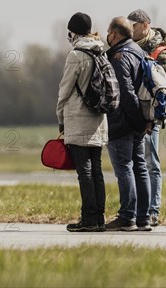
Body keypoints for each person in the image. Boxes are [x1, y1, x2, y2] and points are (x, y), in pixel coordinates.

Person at [57, 12, 109, 232]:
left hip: (78, 118)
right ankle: (99, 218)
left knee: (84, 172)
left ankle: (88, 219)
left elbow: (65, 89)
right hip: (98, 119)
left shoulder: (75, 55)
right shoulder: (100, 51)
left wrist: (60, 117)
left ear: (73, 31)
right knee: (96, 171)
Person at [128, 9, 166, 227]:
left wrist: (155, 117)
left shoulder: (159, 51)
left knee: (150, 163)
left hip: (151, 117)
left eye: (134, 25)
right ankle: (138, 209)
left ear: (145, 25)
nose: (131, 29)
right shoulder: (131, 47)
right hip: (134, 114)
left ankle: (152, 210)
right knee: (135, 163)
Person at [104, 17, 151, 231]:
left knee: (124, 168)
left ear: (114, 34)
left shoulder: (119, 56)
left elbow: (125, 93)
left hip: (123, 122)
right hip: (139, 121)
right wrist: (142, 122)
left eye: (108, 32)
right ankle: (144, 217)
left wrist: (136, 121)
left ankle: (127, 217)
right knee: (140, 167)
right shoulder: (139, 52)